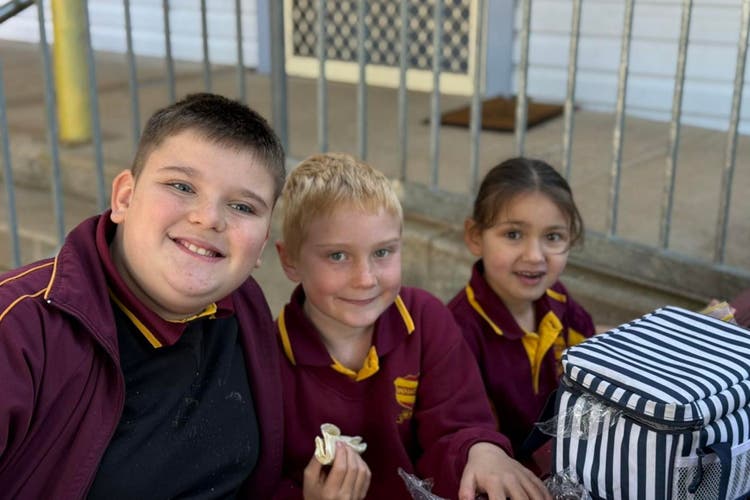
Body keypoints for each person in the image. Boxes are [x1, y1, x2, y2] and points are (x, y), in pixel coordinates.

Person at [0, 93, 287, 498]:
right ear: (124, 198)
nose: (208, 218)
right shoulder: (18, 330)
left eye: (242, 206)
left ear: (260, 247)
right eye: (181, 185)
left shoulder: (245, 310)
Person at [272, 153, 551, 500]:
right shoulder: (267, 359)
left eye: (383, 252)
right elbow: (258, 481)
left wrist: (482, 450)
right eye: (337, 256)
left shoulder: (425, 319)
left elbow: (460, 424)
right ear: (290, 260)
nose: (365, 279)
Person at [447, 157, 596, 476]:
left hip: (565, 465)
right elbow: (472, 437)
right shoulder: (457, 331)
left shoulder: (557, 300)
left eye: (553, 237)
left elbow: (593, 354)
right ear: (475, 236)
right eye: (514, 234)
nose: (534, 256)